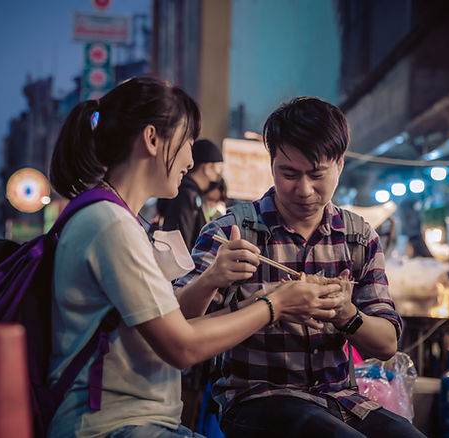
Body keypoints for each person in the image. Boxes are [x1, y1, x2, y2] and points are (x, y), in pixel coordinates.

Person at [46, 78, 345, 438]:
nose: (190, 159)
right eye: (187, 142)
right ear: (153, 138)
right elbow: (182, 346)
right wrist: (274, 305)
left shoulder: (117, 218)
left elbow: (171, 322)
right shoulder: (111, 225)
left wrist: (215, 280)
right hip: (110, 427)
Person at [174, 97, 426, 438]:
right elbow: (176, 326)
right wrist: (211, 279)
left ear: (339, 163)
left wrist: (346, 313)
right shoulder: (231, 232)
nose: (303, 190)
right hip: (257, 400)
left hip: (340, 400)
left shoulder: (357, 237)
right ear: (272, 162)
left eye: (316, 174)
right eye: (288, 173)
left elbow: (386, 345)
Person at [159, 139, 224, 251]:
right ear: (207, 168)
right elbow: (181, 243)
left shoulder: (191, 194)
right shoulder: (187, 195)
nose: (219, 175)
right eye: (218, 169)